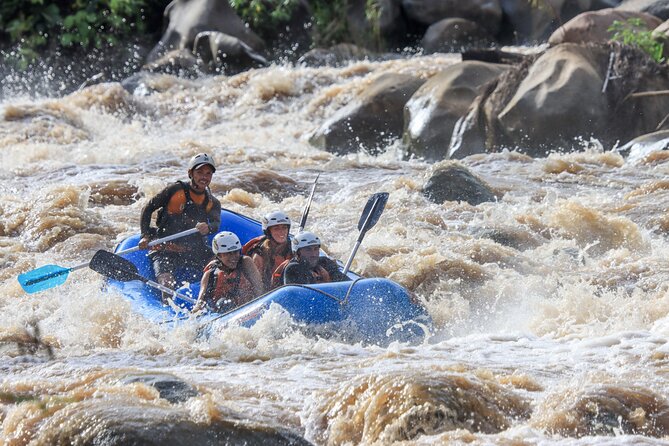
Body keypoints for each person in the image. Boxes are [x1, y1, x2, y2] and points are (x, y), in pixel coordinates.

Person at [138, 153, 221, 294]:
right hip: (165, 248)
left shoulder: (212, 202)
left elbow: (215, 224)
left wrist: (208, 228)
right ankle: (167, 309)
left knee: (221, 265)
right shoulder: (175, 190)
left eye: (208, 173)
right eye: (199, 172)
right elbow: (147, 209)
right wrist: (145, 235)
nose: (204, 177)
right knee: (166, 284)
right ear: (190, 173)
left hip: (193, 250)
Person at [194, 231, 263, 313]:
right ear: (219, 255)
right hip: (224, 313)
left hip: (249, 308)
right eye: (228, 254)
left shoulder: (245, 262)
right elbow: (200, 302)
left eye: (236, 252)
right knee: (223, 303)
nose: (234, 257)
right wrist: (196, 311)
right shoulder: (210, 274)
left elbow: (259, 288)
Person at [272, 231, 349, 286]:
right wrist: (326, 281)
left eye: (316, 249)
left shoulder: (324, 262)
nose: (314, 254)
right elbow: (304, 297)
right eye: (308, 250)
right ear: (297, 253)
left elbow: (345, 282)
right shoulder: (292, 269)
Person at [242, 210, 293, 291]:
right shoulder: (259, 256)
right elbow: (256, 287)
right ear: (268, 232)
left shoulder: (293, 248)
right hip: (269, 293)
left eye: (284, 227)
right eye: (276, 228)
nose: (282, 232)